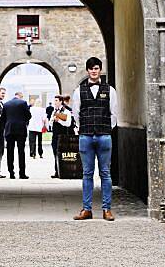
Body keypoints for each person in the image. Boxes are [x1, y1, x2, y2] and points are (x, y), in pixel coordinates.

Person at [72, 57, 118, 221]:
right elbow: (76, 114)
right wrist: (83, 129)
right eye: (91, 68)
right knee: (87, 174)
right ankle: (87, 209)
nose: (94, 71)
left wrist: (106, 130)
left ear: (100, 70)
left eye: (96, 68)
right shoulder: (79, 91)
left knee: (105, 173)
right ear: (87, 71)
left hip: (104, 136)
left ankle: (107, 209)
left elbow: (114, 114)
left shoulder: (110, 90)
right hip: (85, 136)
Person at [0, 90, 31, 179]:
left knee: (10, 152)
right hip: (21, 129)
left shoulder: (6, 104)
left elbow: (3, 118)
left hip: (9, 130)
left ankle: (11, 173)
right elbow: (29, 115)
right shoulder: (23, 103)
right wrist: (23, 121)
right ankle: (22, 173)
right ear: (20, 96)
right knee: (21, 152)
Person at [50, 94, 73, 178]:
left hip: (62, 135)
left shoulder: (66, 111)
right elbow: (50, 123)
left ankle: (63, 171)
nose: (54, 102)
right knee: (55, 153)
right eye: (54, 100)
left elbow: (68, 124)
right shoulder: (54, 111)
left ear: (61, 101)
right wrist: (52, 120)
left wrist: (59, 120)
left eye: (56, 101)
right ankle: (57, 171)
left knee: (62, 154)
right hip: (55, 135)